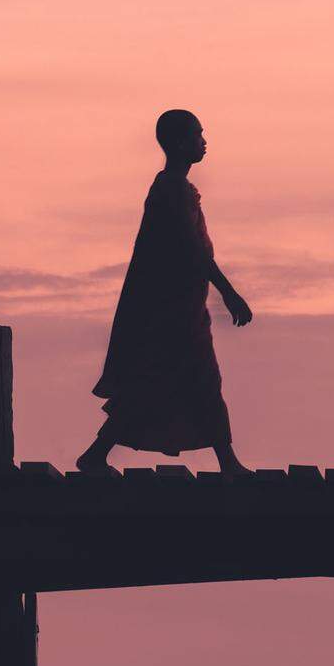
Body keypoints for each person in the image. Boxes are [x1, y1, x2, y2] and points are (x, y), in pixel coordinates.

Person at [77, 109, 253, 475]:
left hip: (182, 307)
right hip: (169, 313)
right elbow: (194, 250)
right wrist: (229, 293)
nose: (204, 142)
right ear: (179, 143)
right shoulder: (171, 191)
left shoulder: (176, 189)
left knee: (174, 381)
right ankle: (228, 463)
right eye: (198, 135)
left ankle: (97, 454)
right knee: (184, 380)